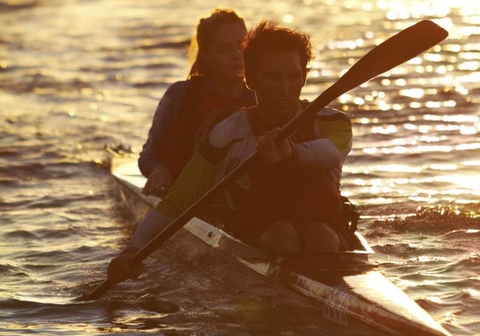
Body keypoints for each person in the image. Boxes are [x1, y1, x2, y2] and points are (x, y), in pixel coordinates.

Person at [108, 21, 353, 283]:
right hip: (262, 231)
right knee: (285, 235)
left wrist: (290, 152)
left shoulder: (331, 122)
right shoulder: (229, 132)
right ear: (250, 79)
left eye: (293, 76)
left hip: (324, 232)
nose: (285, 88)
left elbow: (328, 154)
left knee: (319, 235)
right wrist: (133, 251)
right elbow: (178, 202)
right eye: (273, 77)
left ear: (304, 77)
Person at [138, 8, 256, 195]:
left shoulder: (261, 99)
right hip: (181, 196)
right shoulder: (180, 95)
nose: (236, 55)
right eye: (224, 49)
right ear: (207, 57)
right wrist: (158, 170)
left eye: (241, 46)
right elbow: (147, 157)